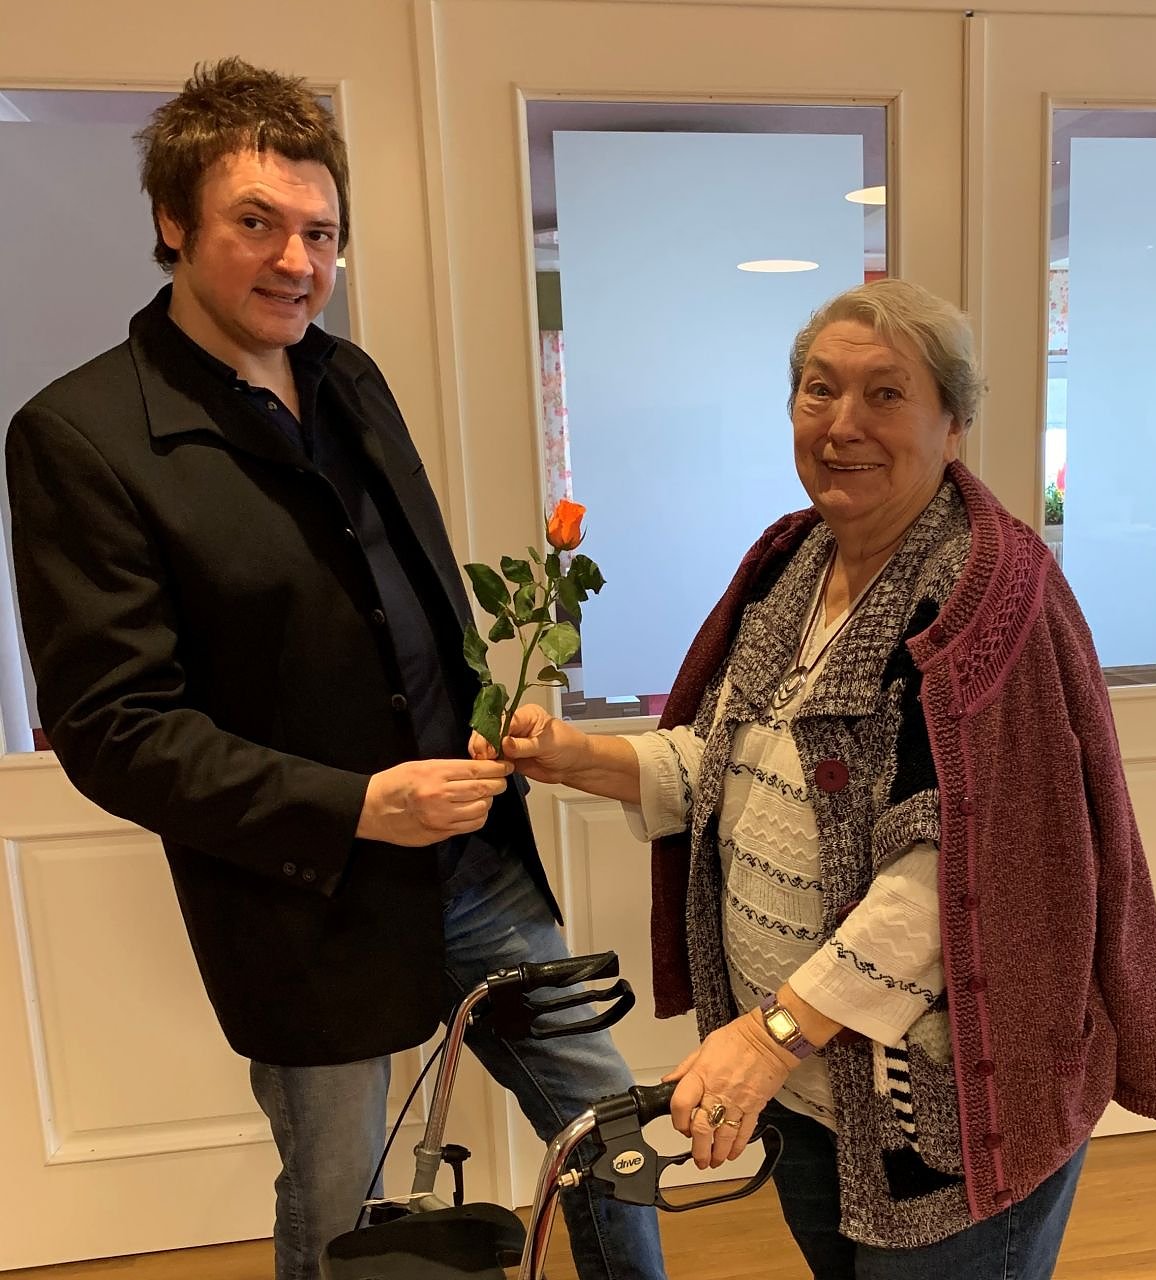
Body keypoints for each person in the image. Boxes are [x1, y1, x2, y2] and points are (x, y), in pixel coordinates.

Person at [4, 57, 665, 1280]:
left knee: (606, 1131)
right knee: (337, 1204)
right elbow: (112, 729)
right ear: (173, 221)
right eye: (256, 223)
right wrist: (358, 804)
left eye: (320, 232)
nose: (297, 261)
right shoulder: (80, 436)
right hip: (305, 900)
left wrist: (486, 710)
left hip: (475, 860)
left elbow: (411, 597)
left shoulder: (347, 376)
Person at [472, 279, 1156, 1278]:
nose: (842, 423)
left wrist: (766, 1040)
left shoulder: (983, 597)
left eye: (885, 393)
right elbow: (732, 763)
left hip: (939, 1109)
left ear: (952, 424)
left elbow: (955, 874)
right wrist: (581, 758)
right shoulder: (795, 562)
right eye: (818, 389)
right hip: (811, 1088)